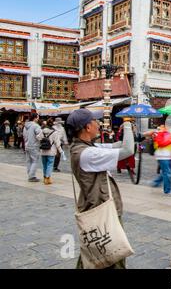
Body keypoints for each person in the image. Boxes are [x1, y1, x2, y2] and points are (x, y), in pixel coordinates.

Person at [67, 109, 134, 269]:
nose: (99, 124)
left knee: (95, 253)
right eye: (95, 121)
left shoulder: (85, 147)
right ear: (87, 127)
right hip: (101, 209)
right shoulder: (88, 153)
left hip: (98, 205)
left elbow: (116, 146)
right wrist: (127, 124)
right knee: (112, 254)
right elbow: (127, 151)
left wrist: (136, 137)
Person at [151, 125, 171, 196]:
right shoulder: (159, 134)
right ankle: (167, 191)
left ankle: (156, 182)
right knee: (167, 173)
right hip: (162, 156)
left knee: (167, 172)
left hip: (167, 156)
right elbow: (161, 144)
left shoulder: (168, 133)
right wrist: (170, 141)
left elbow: (170, 143)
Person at [37, 118, 63, 185]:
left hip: (43, 151)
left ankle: (45, 177)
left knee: (44, 165)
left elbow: (38, 137)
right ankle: (47, 178)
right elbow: (57, 143)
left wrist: (42, 140)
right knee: (50, 165)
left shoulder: (42, 131)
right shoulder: (55, 132)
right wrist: (61, 151)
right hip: (51, 151)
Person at [23, 113, 42, 182]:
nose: (38, 118)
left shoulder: (26, 126)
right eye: (38, 117)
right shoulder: (36, 126)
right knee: (34, 161)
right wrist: (40, 140)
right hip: (34, 145)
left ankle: (29, 174)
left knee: (28, 161)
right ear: (35, 118)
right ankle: (32, 176)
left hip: (27, 145)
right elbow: (40, 135)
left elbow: (24, 136)